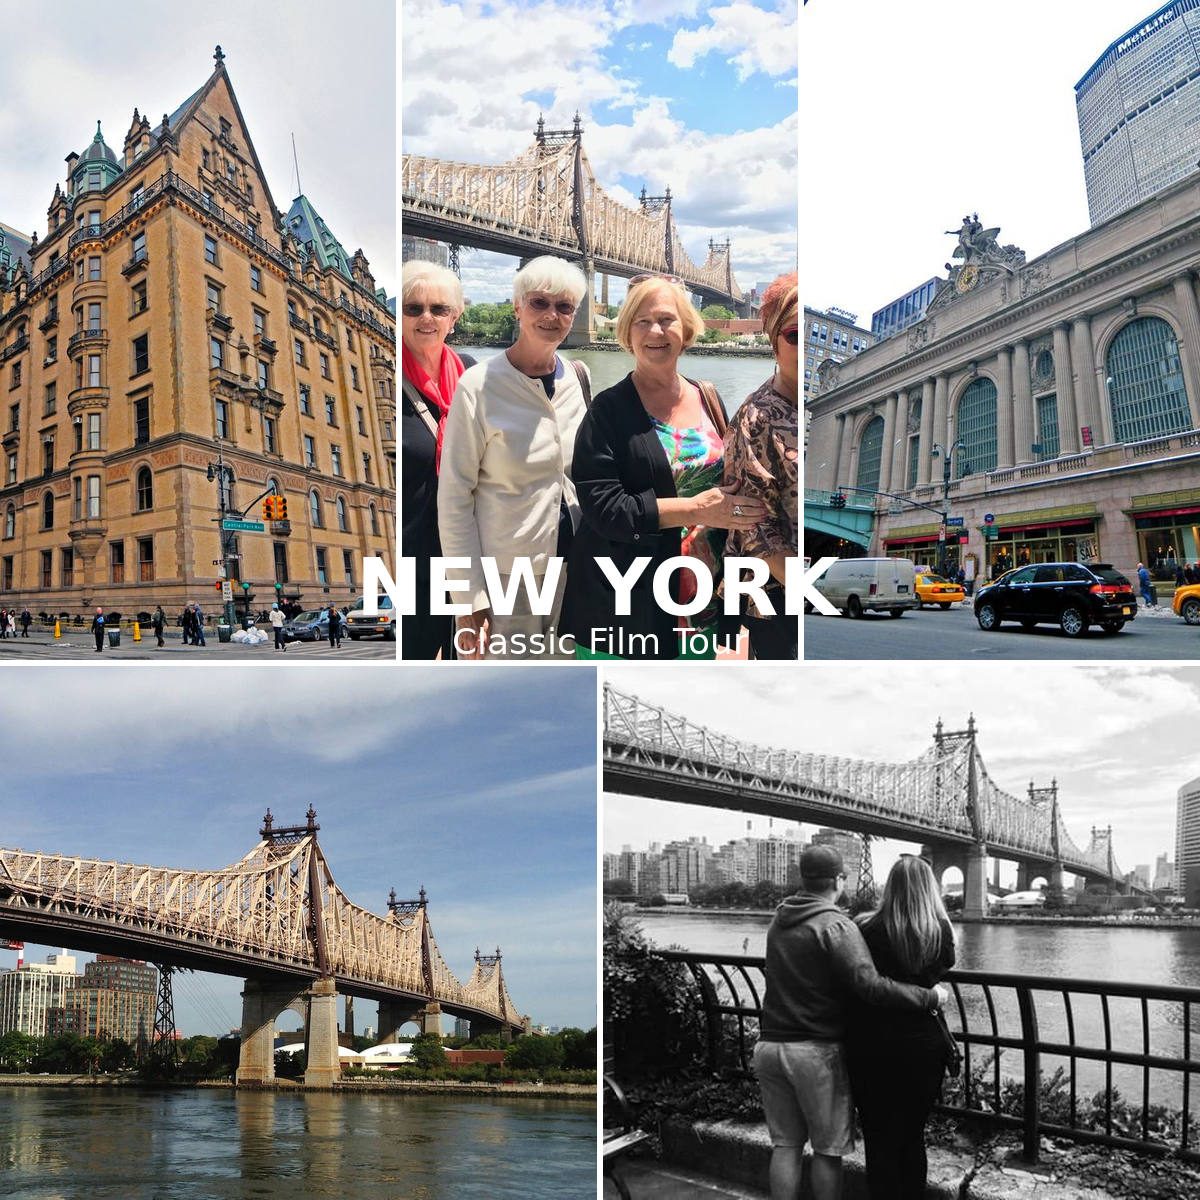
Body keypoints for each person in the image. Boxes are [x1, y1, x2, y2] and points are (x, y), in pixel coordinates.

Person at [563, 275, 763, 660]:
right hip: (626, 605)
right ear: (628, 333)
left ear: (686, 330)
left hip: (701, 601)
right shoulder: (607, 410)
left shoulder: (709, 397)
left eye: (667, 319)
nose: (656, 330)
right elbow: (602, 508)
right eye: (642, 321)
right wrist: (696, 510)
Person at [755, 845, 948, 1200]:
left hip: (769, 1045)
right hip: (814, 1050)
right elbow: (870, 985)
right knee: (828, 1150)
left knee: (786, 1146)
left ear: (803, 878)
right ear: (840, 879)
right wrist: (930, 997)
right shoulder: (836, 925)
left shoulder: (778, 920)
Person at [439, 255, 592, 660]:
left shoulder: (578, 378)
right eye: (539, 302)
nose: (551, 315)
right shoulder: (478, 386)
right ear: (517, 307)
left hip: (572, 565)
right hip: (505, 573)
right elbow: (454, 497)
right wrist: (468, 597)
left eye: (564, 306)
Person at [847, 856, 957, 1200]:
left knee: (878, 1137)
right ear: (930, 889)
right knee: (911, 1135)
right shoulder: (940, 930)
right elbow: (947, 964)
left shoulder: (864, 927)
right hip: (923, 1045)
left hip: (871, 1043)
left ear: (890, 886)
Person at [721, 271, 799, 659]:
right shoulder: (755, 418)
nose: (805, 348)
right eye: (794, 336)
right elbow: (752, 523)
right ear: (773, 341)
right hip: (780, 599)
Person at [401, 260, 475, 661]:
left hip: (468, 559)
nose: (426, 317)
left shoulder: (473, 373)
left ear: (454, 316)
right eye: (413, 308)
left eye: (438, 309)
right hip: (414, 565)